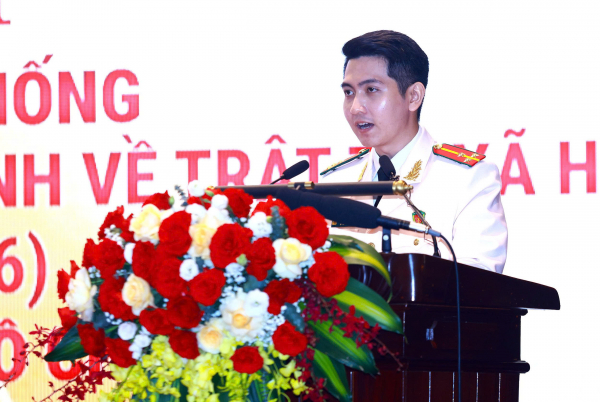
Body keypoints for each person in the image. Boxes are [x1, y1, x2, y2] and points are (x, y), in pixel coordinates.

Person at [320, 30, 507, 274]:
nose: (355, 108)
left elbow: (480, 279)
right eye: (349, 92)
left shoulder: (468, 178)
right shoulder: (334, 182)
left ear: (413, 96)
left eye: (371, 90)